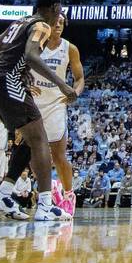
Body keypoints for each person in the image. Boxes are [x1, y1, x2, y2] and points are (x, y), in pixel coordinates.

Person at [0, 0, 75, 222]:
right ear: (52, 8)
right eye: (59, 11)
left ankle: (2, 195)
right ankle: (45, 205)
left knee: (30, 138)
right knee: (41, 138)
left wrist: (15, 68)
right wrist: (62, 84)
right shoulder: (42, 25)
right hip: (6, 80)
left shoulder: (20, 22)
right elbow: (32, 56)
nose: (59, 16)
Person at [33, 12, 84, 216]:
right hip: (34, 103)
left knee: (59, 155)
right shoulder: (35, 45)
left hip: (55, 104)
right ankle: (49, 187)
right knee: (32, 155)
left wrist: (75, 93)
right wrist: (26, 85)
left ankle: (69, 193)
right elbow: (19, 68)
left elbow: (80, 78)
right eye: (55, 22)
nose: (58, 25)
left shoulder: (69, 48)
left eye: (62, 23)